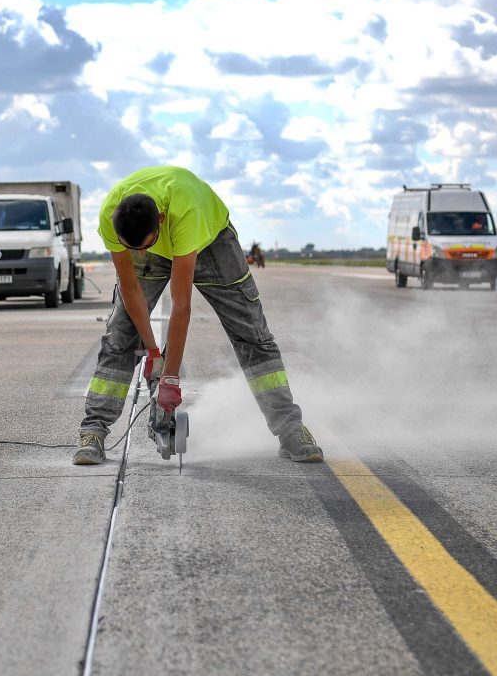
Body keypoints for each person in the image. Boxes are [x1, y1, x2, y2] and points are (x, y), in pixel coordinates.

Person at [72, 166, 323, 465]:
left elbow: (181, 306)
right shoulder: (111, 216)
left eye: (145, 247)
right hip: (157, 233)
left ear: (162, 221)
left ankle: (291, 429)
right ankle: (93, 431)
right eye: (132, 249)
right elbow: (130, 288)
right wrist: (153, 351)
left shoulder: (185, 211)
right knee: (120, 334)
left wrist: (169, 381)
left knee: (252, 334)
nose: (139, 255)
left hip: (210, 241)